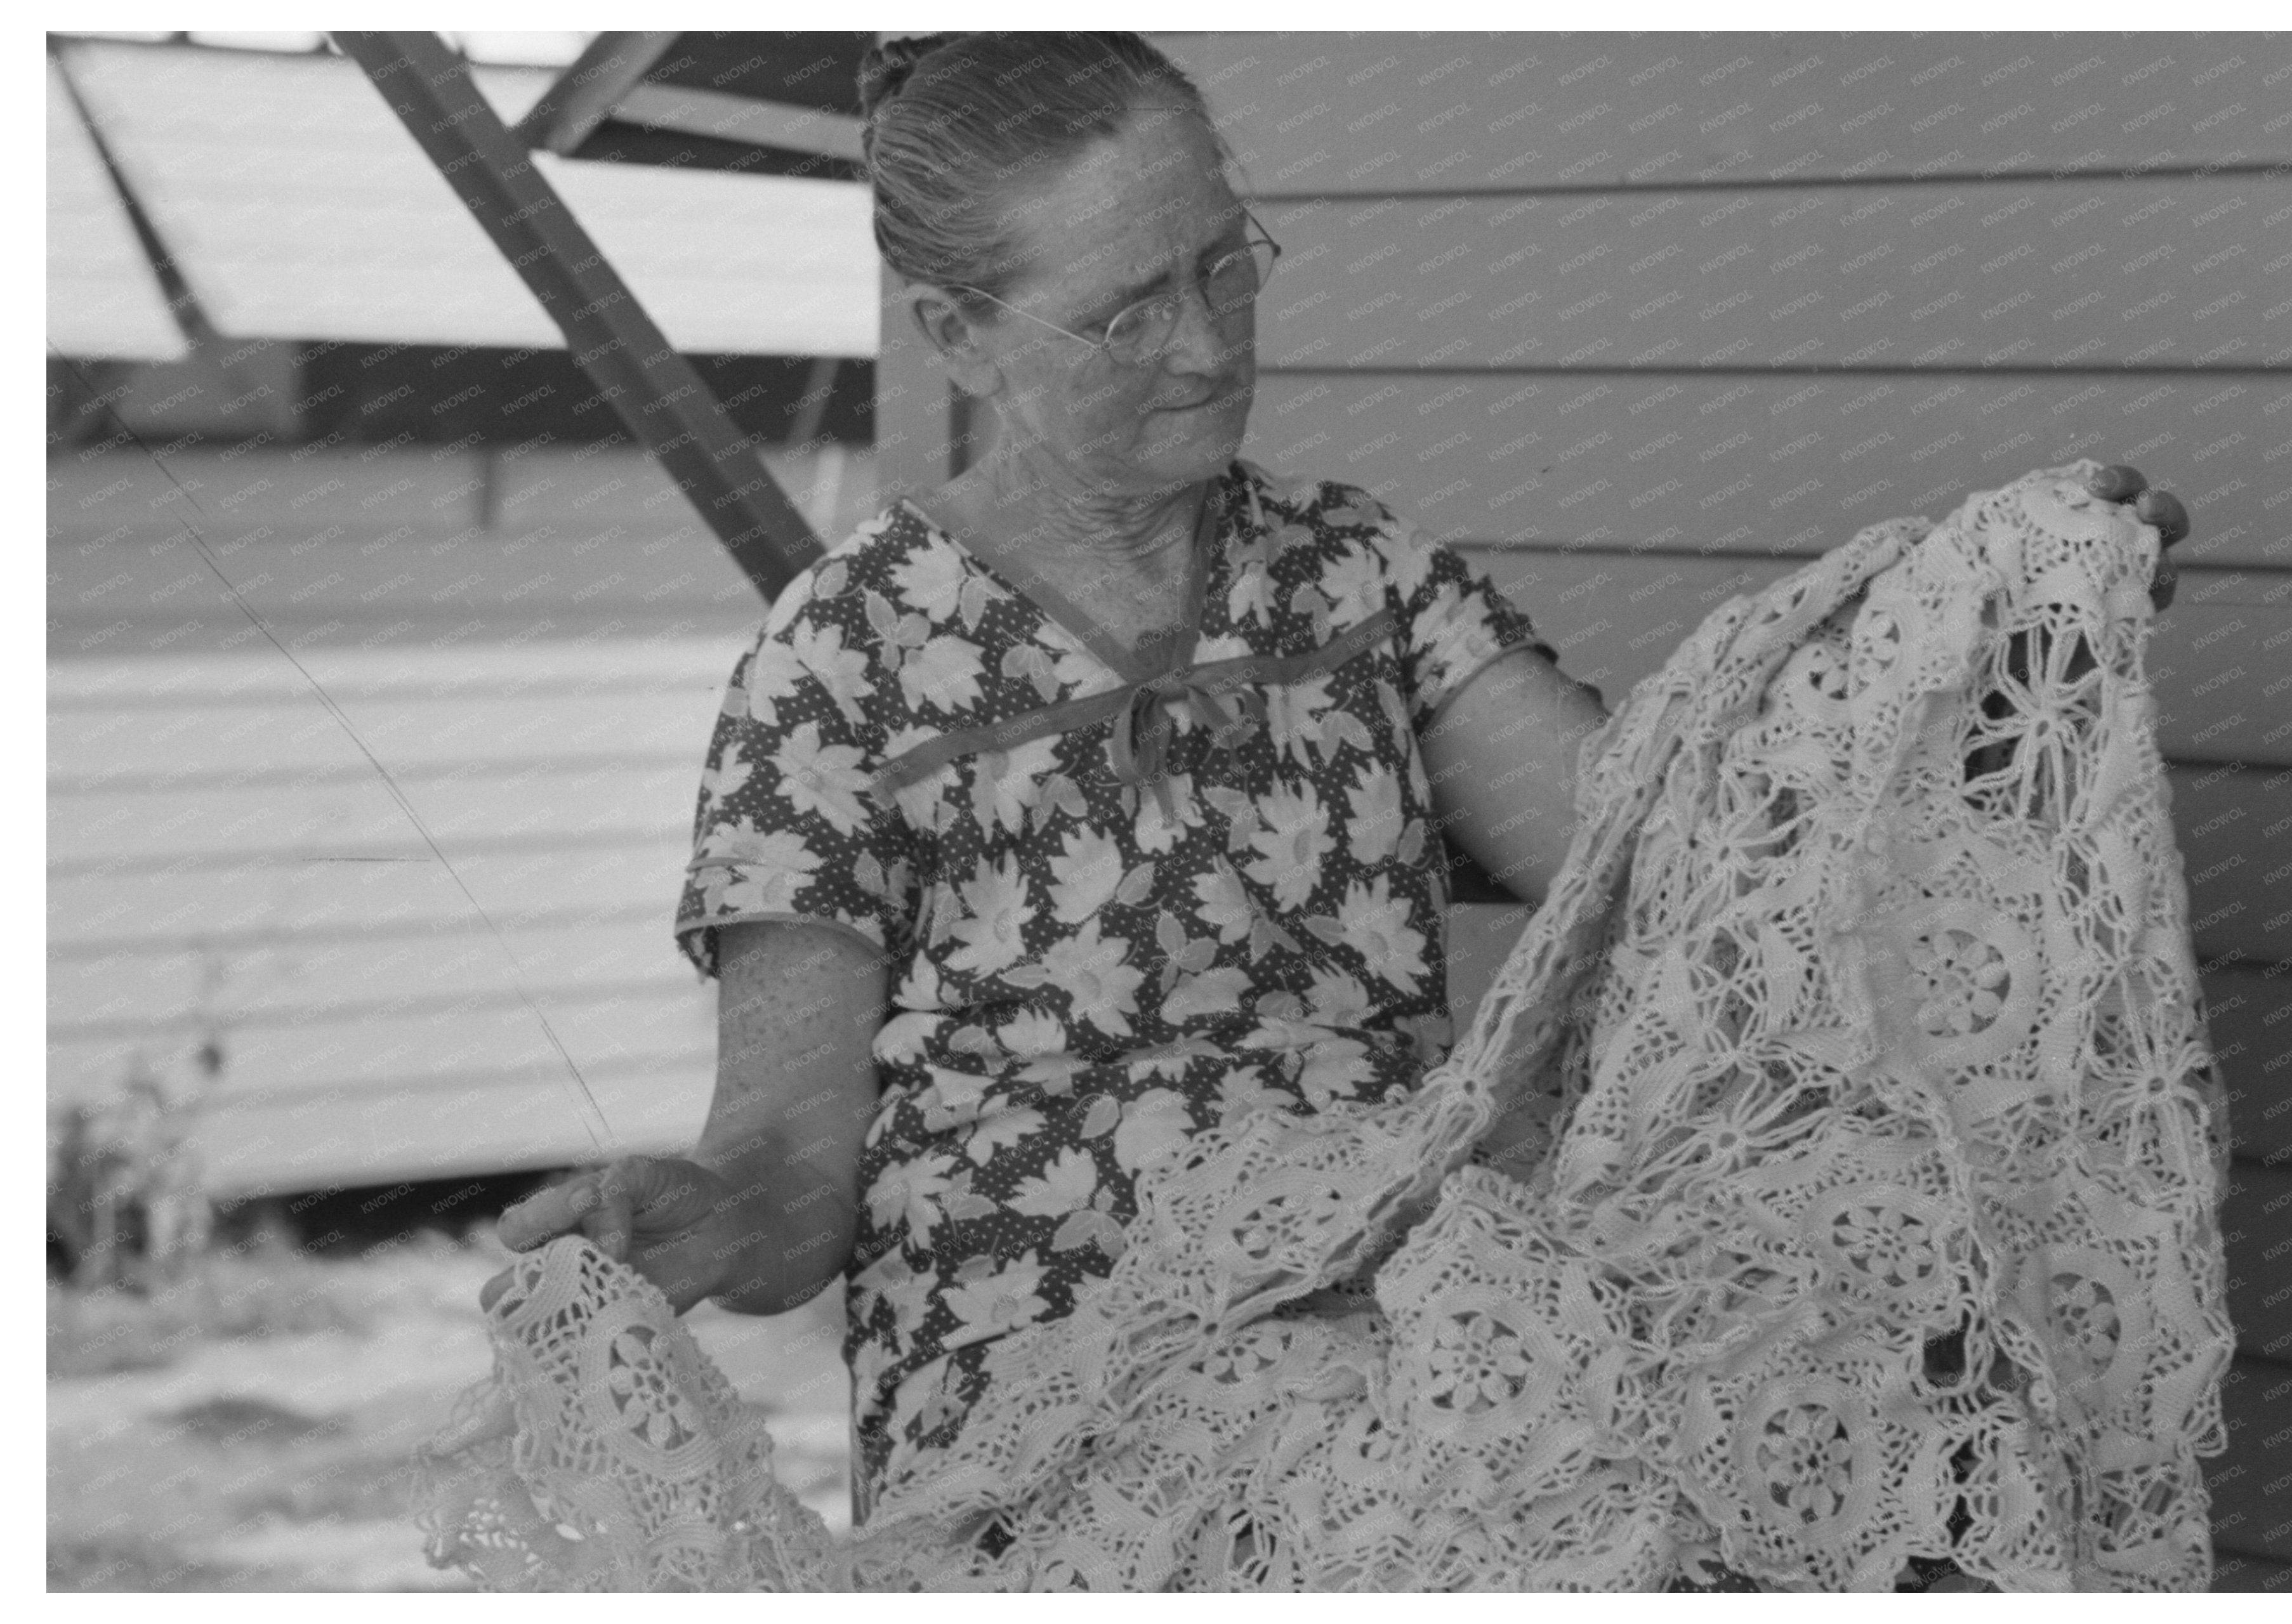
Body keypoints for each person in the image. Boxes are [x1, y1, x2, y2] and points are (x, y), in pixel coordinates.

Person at [491, 30, 2189, 1528]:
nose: (1204, 346)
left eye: (1224, 265)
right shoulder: (841, 661)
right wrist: (715, 1219)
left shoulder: (1353, 576)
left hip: (1386, 1353)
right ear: (961, 335)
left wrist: (1989, 643)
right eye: (1128, 310)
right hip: (1043, 1420)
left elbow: (1668, 846)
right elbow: (793, 1173)